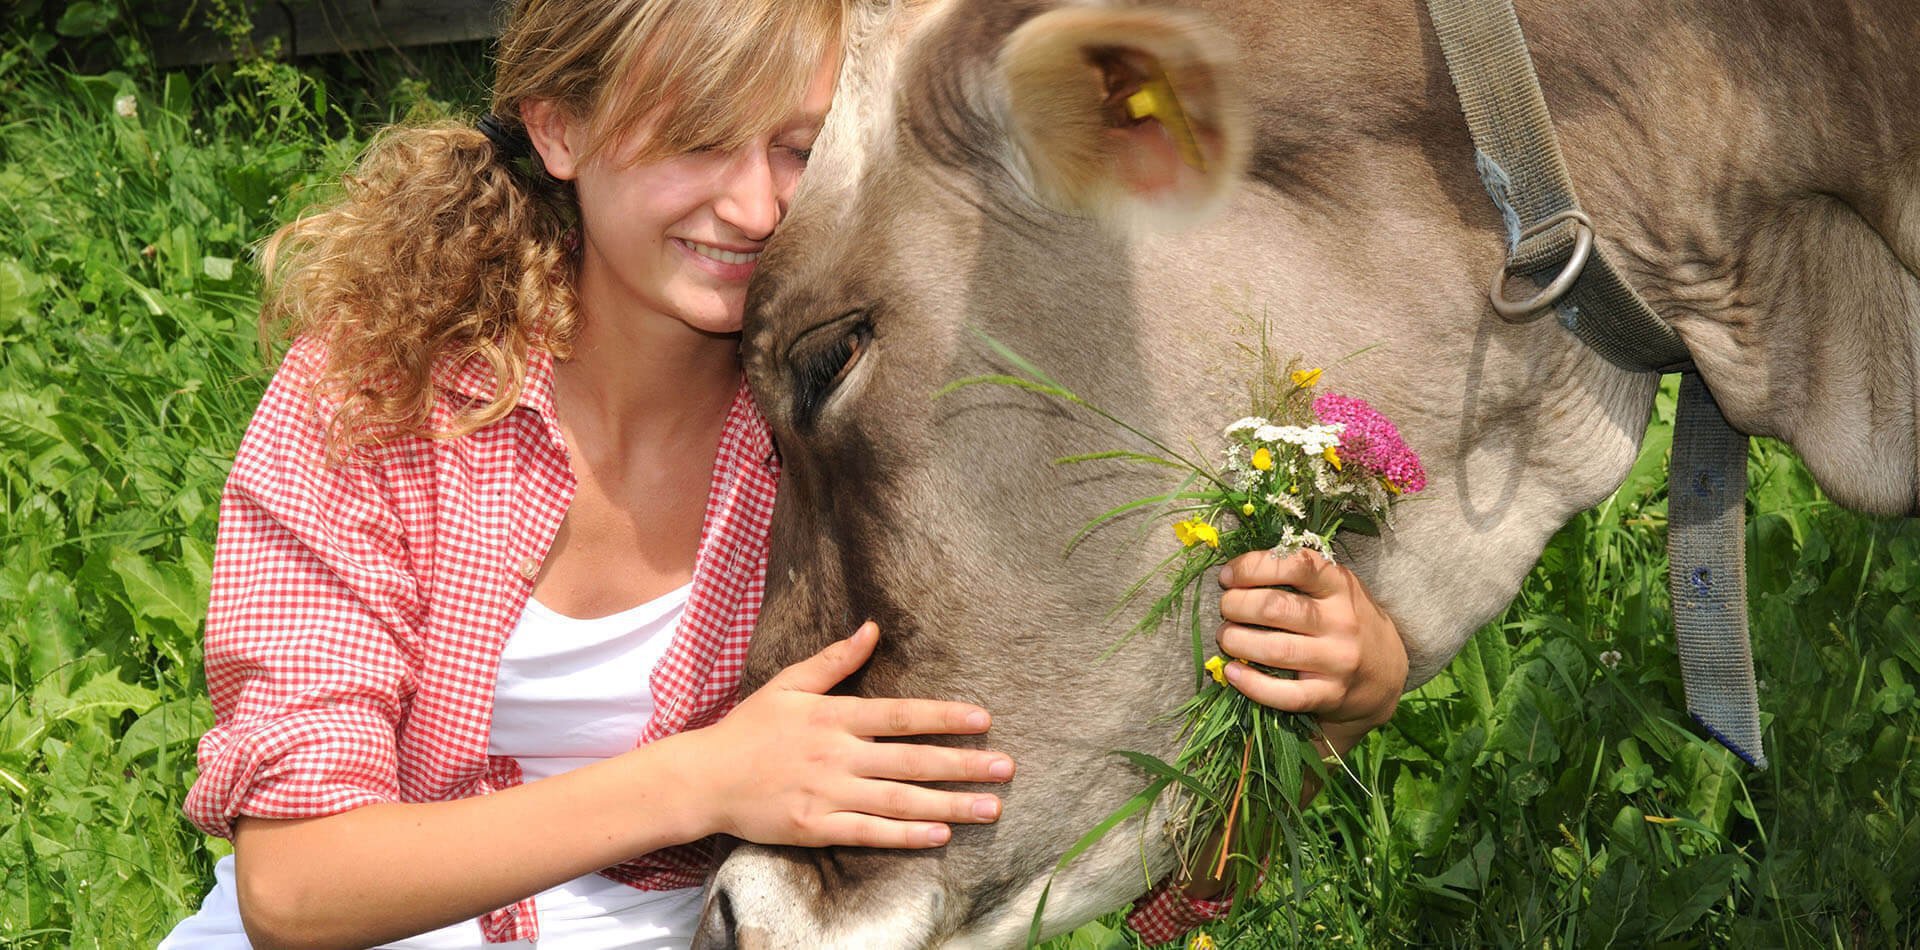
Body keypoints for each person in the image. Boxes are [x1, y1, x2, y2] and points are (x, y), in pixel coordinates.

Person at [161, 0, 1409, 946]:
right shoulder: (380, 391)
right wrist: (702, 776)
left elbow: (1097, 811)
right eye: (699, 140)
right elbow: (293, 884)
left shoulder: (849, 428)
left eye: (800, 146)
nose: (757, 206)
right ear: (561, 125)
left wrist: (1339, 693)